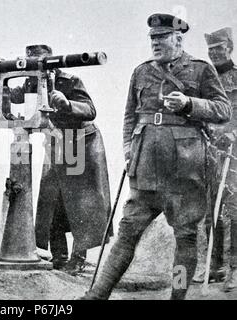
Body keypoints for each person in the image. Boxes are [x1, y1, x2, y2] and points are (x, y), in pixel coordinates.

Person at [80, 14, 231, 300]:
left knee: (185, 238)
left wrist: (190, 104)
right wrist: (127, 149)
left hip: (185, 171)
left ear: (178, 39)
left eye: (161, 38)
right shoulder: (141, 72)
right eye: (152, 38)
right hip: (145, 167)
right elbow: (129, 115)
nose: (155, 43)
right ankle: (97, 295)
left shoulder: (200, 70)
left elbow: (223, 110)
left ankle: (176, 297)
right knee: (127, 234)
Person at [0, 44, 111, 274]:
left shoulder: (70, 81)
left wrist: (67, 104)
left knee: (81, 206)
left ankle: (77, 259)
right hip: (58, 141)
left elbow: (90, 110)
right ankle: (59, 257)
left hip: (82, 143)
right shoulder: (32, 80)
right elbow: (15, 95)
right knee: (52, 201)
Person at [201, 27, 237, 292]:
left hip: (235, 154)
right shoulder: (206, 79)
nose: (214, 53)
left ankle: (234, 269)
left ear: (230, 48)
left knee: (235, 212)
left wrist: (234, 133)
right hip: (210, 150)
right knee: (209, 209)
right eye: (211, 49)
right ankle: (215, 266)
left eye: (219, 48)